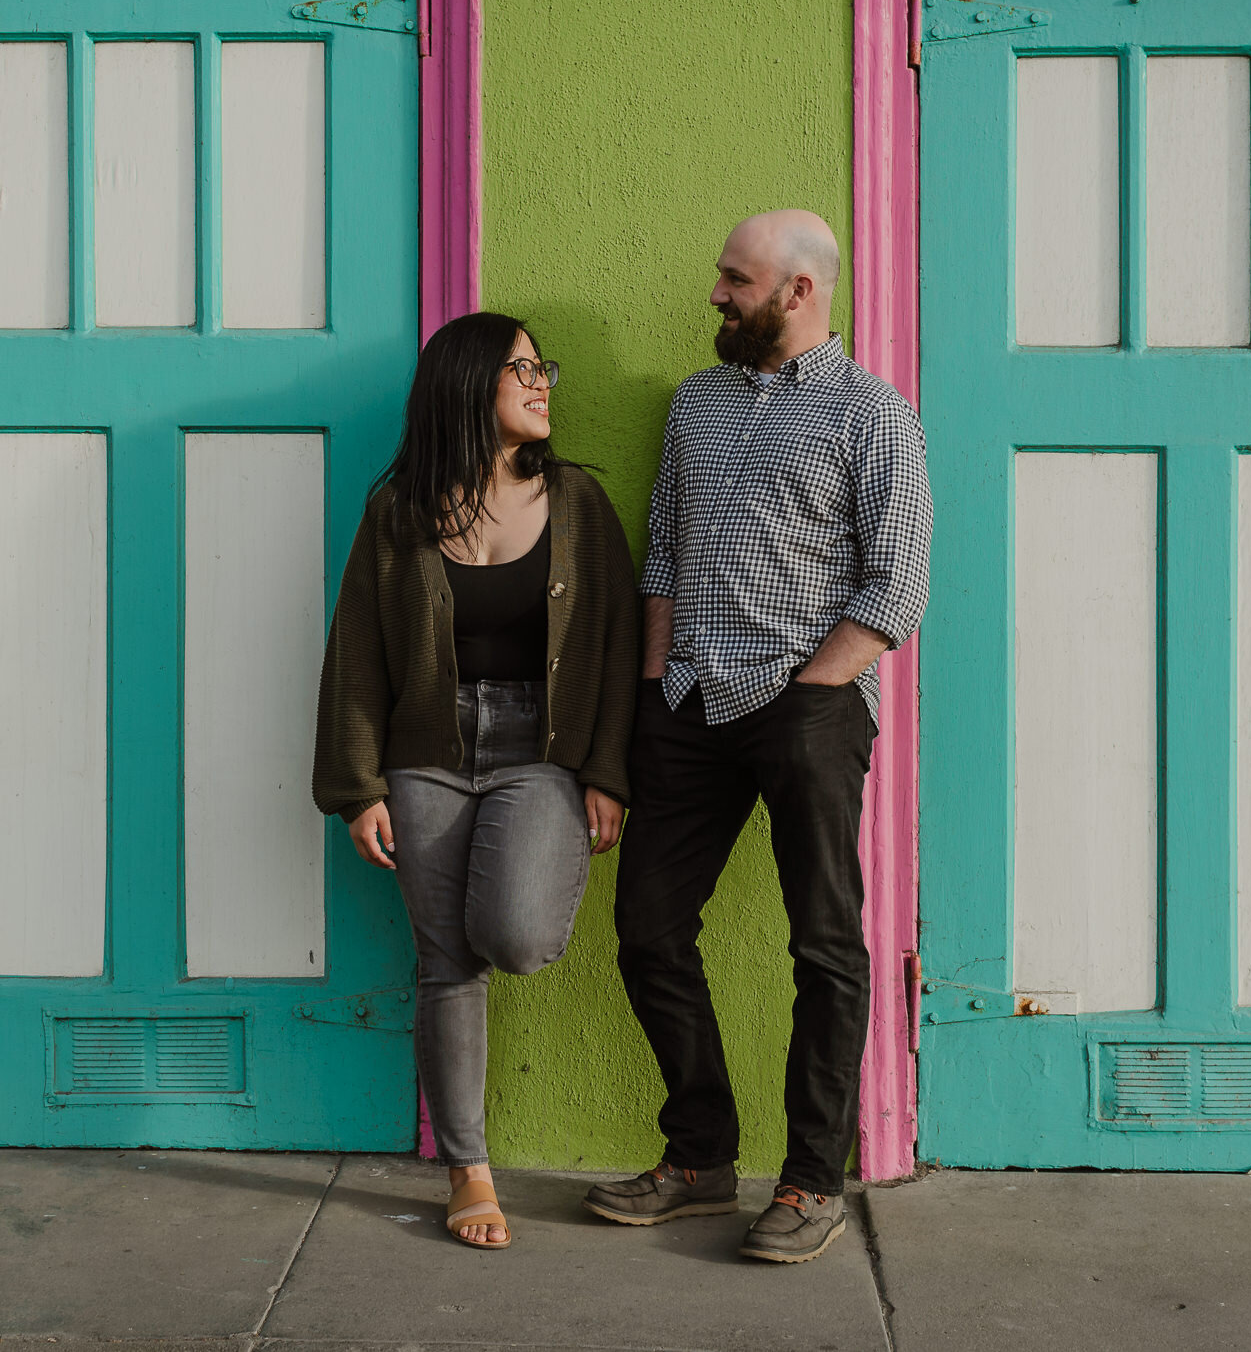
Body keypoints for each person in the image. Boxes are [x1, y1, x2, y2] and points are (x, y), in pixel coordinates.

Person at [583, 210, 932, 1264]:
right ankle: (698, 1159)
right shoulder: (695, 403)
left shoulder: (874, 415)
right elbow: (663, 555)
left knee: (823, 945)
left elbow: (897, 584)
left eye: (735, 280)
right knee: (645, 928)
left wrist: (813, 690)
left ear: (797, 291)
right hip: (684, 703)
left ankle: (810, 1179)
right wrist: (652, 688)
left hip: (805, 707)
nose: (715, 295)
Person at [313, 311, 640, 1251]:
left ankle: (468, 1153)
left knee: (513, 932)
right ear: (467, 386)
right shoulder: (400, 511)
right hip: (427, 754)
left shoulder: (576, 501)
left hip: (540, 752)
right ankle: (469, 1169)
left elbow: (617, 655)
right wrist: (357, 785)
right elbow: (359, 654)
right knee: (443, 959)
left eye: (544, 366)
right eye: (522, 368)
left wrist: (608, 772)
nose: (543, 383)